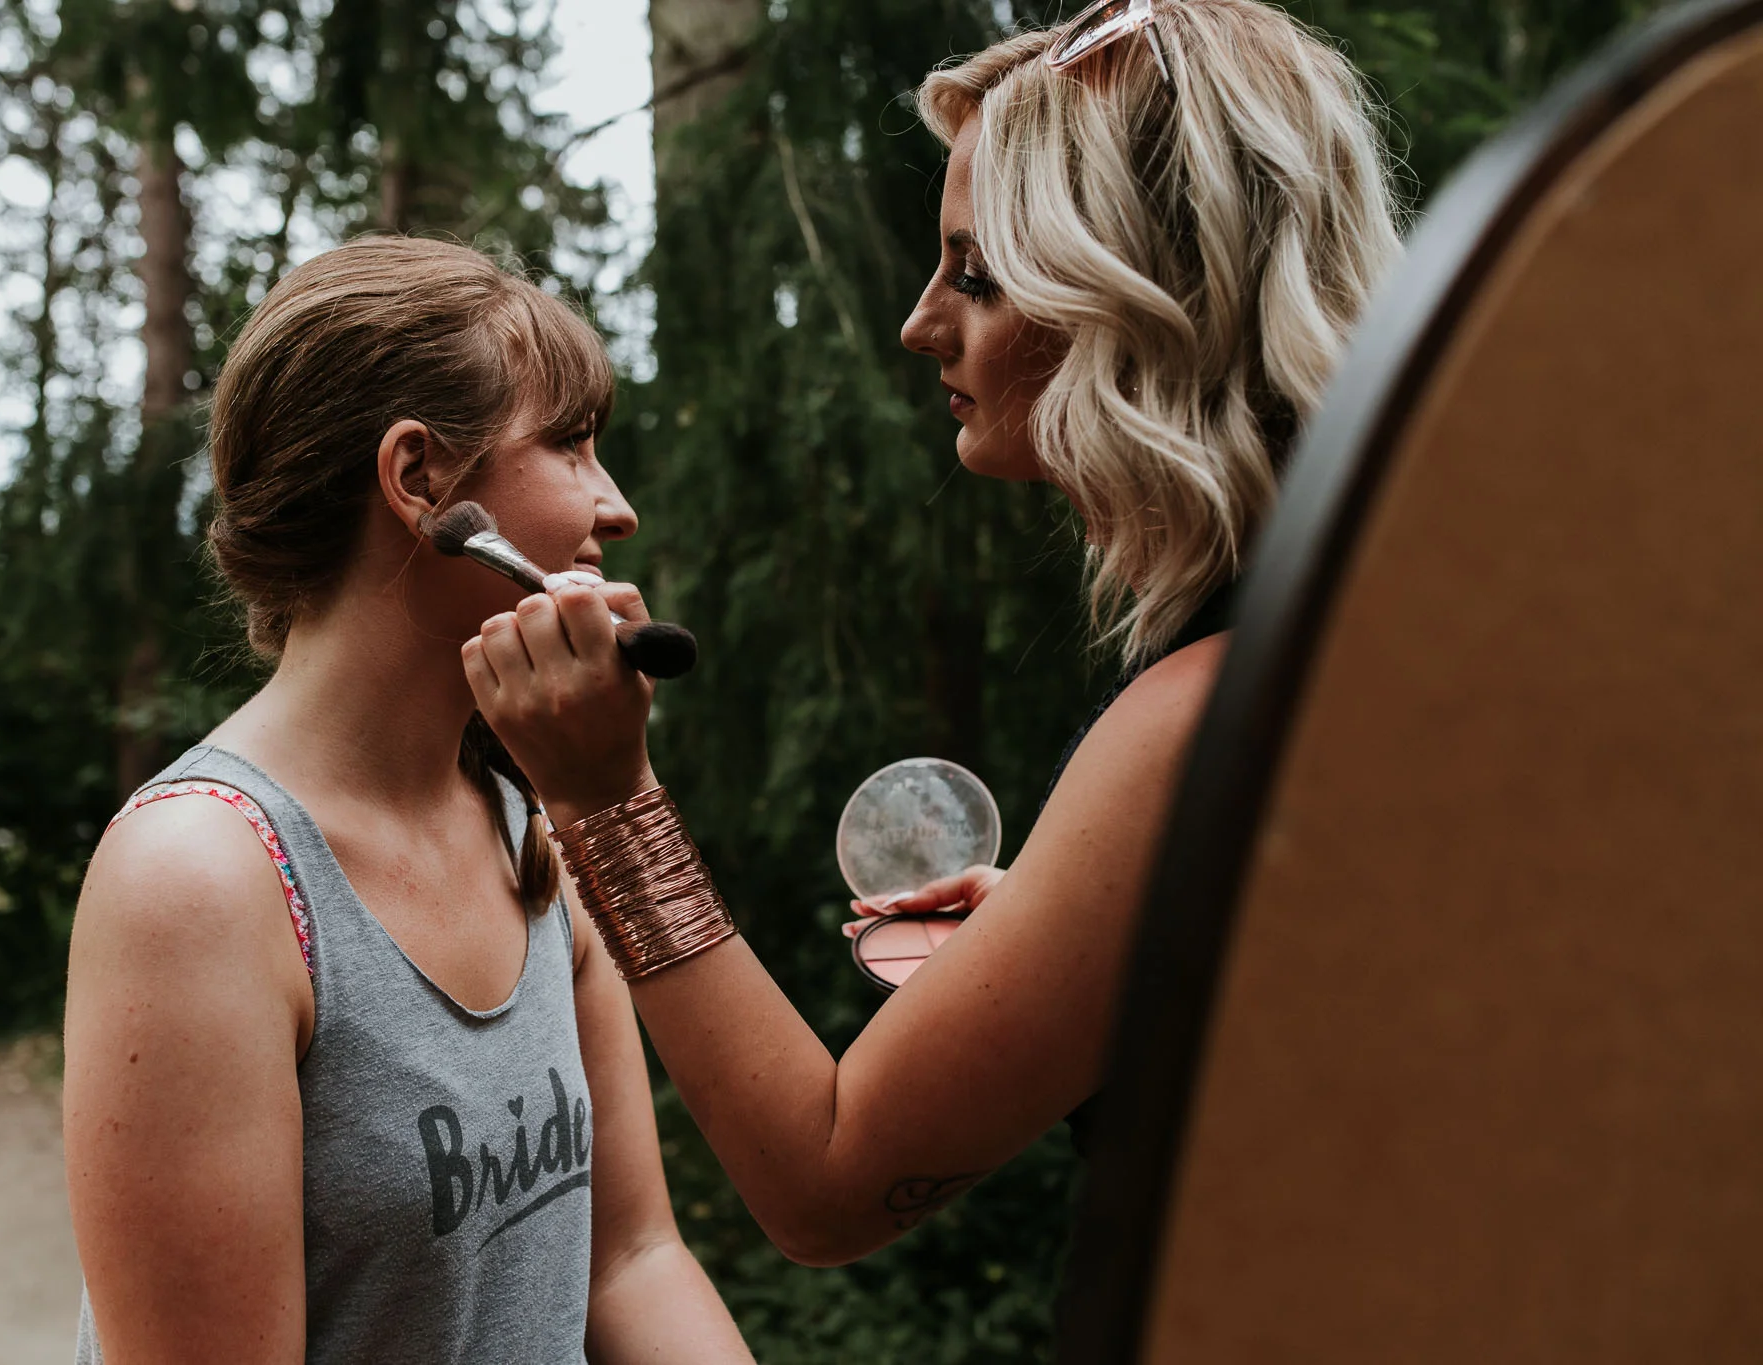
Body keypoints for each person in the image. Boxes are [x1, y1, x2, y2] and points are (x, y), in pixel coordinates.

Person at [461, 0, 1402, 1269]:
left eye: (975, 272)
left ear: (1134, 292)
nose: (919, 322)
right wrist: (1069, 927)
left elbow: (828, 1184)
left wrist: (605, 804)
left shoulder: (1211, 718)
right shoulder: (1373, 624)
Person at [62, 236, 753, 1364]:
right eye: (571, 443)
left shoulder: (534, 822)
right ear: (422, 480)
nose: (614, 505)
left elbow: (633, 1260)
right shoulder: (199, 882)